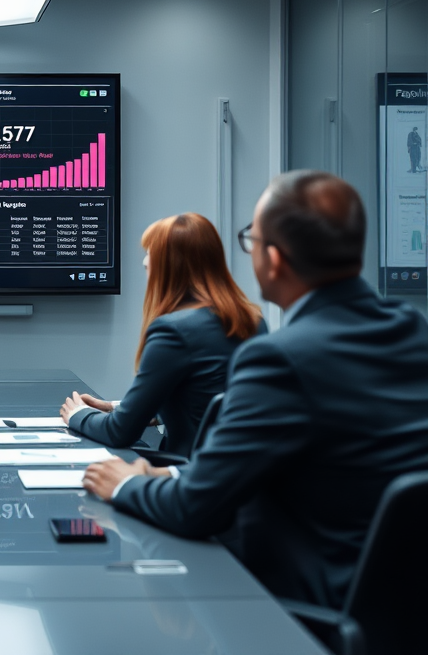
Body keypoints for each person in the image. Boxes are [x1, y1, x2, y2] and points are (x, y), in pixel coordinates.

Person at [83, 171, 428, 609]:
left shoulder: (280, 359)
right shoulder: (411, 328)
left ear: (274, 260)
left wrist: (123, 484)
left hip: (303, 606)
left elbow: (195, 511)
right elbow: (334, 462)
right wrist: (171, 473)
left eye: (252, 239)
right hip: (402, 603)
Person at [60, 213, 264, 458]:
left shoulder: (173, 331)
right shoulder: (254, 320)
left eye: (150, 255)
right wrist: (117, 407)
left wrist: (78, 415)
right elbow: (205, 401)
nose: (145, 263)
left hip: (186, 475)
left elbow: (120, 433)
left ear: (168, 267)